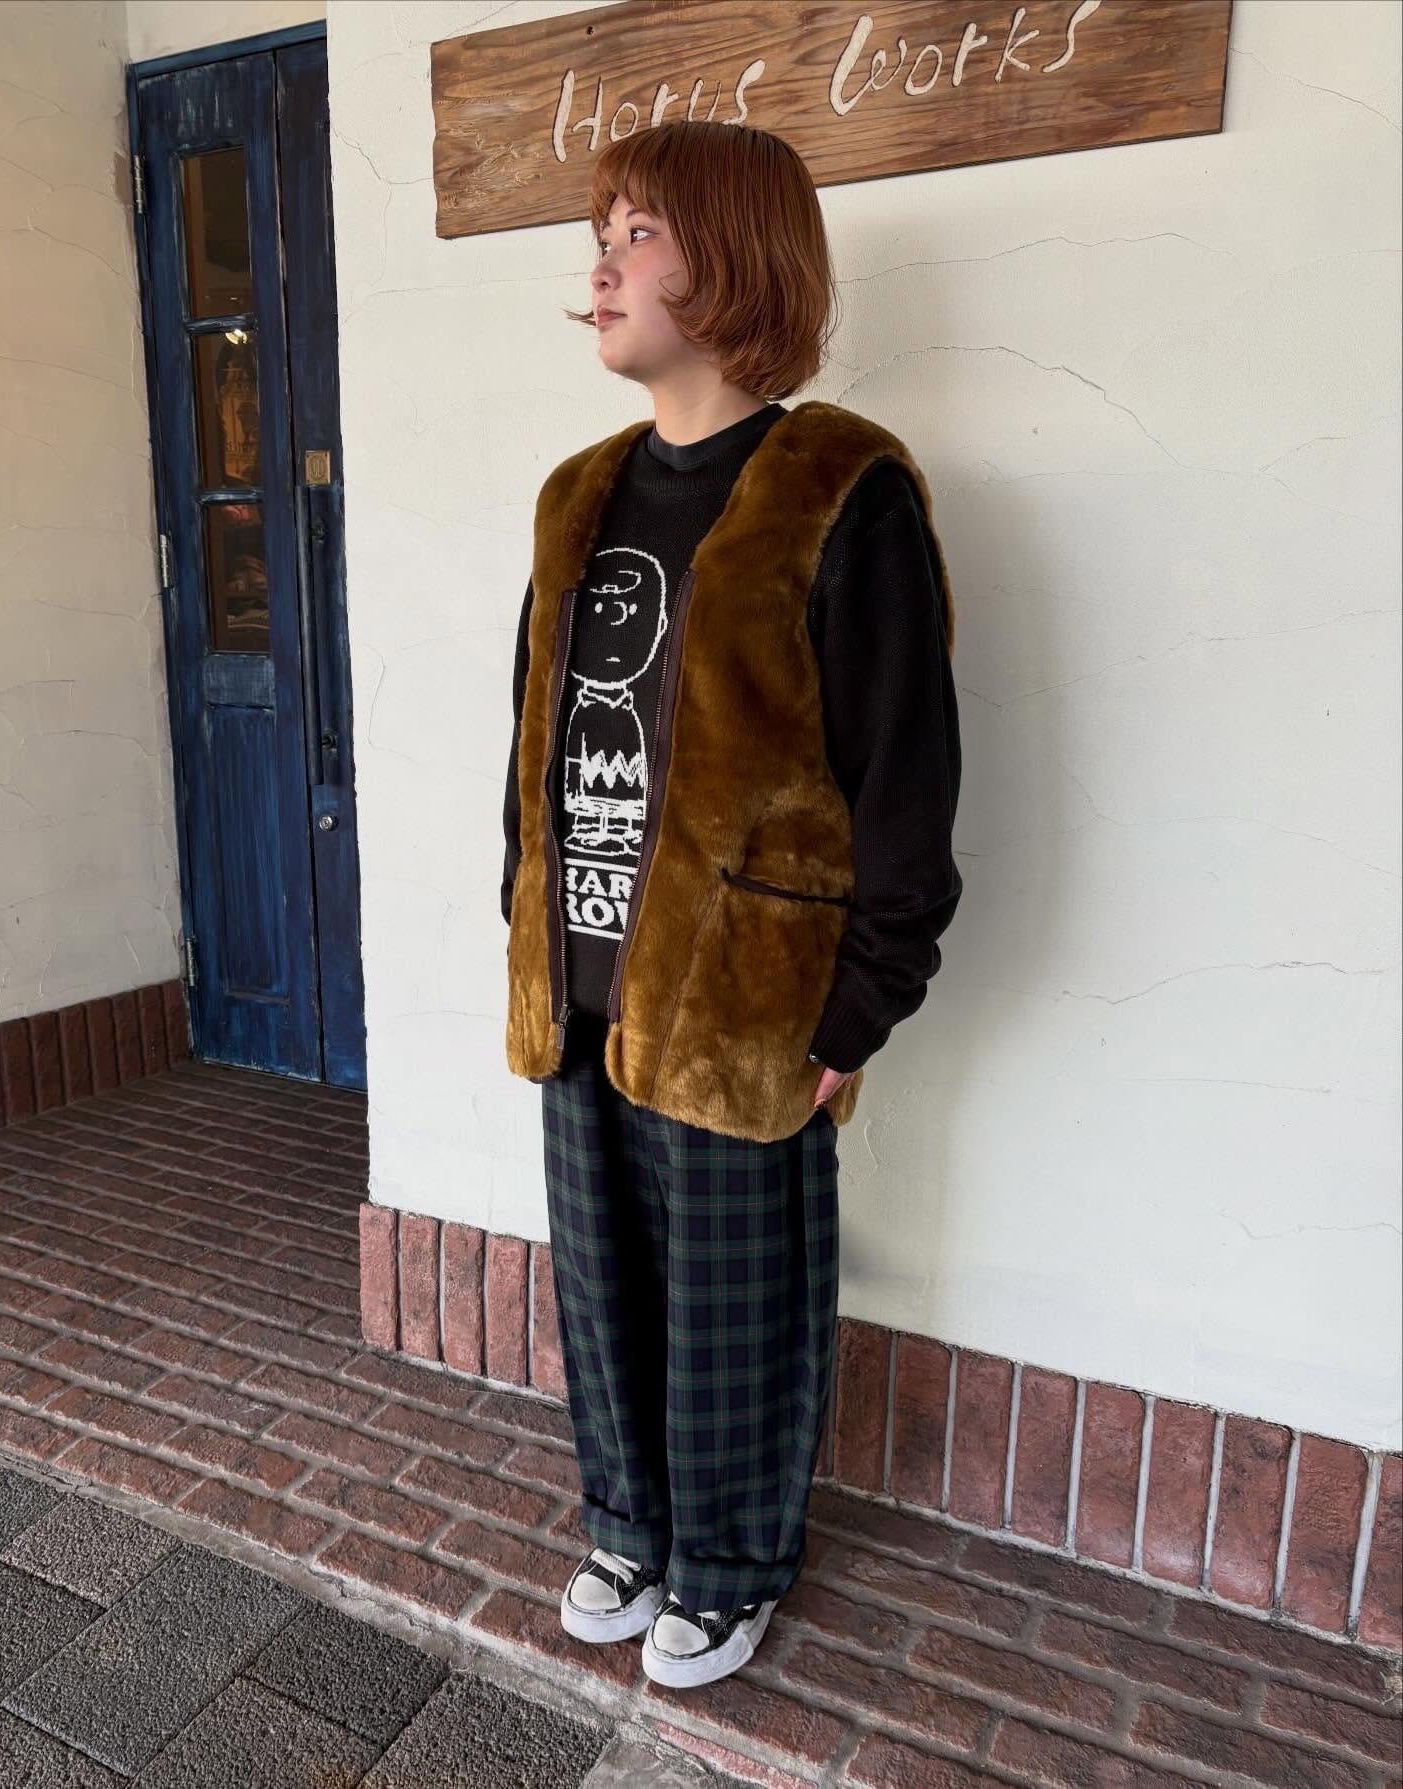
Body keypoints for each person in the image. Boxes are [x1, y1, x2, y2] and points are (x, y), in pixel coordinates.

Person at [500, 119, 961, 1689]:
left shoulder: (841, 488)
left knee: (736, 1301)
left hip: (747, 997)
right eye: (601, 235)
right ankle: (630, 1524)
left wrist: (859, 1007)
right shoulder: (577, 495)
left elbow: (902, 773)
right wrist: (522, 917)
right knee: (604, 1280)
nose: (602, 265)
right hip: (582, 978)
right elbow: (533, 736)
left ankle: (734, 1559)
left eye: (637, 233)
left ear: (737, 259)